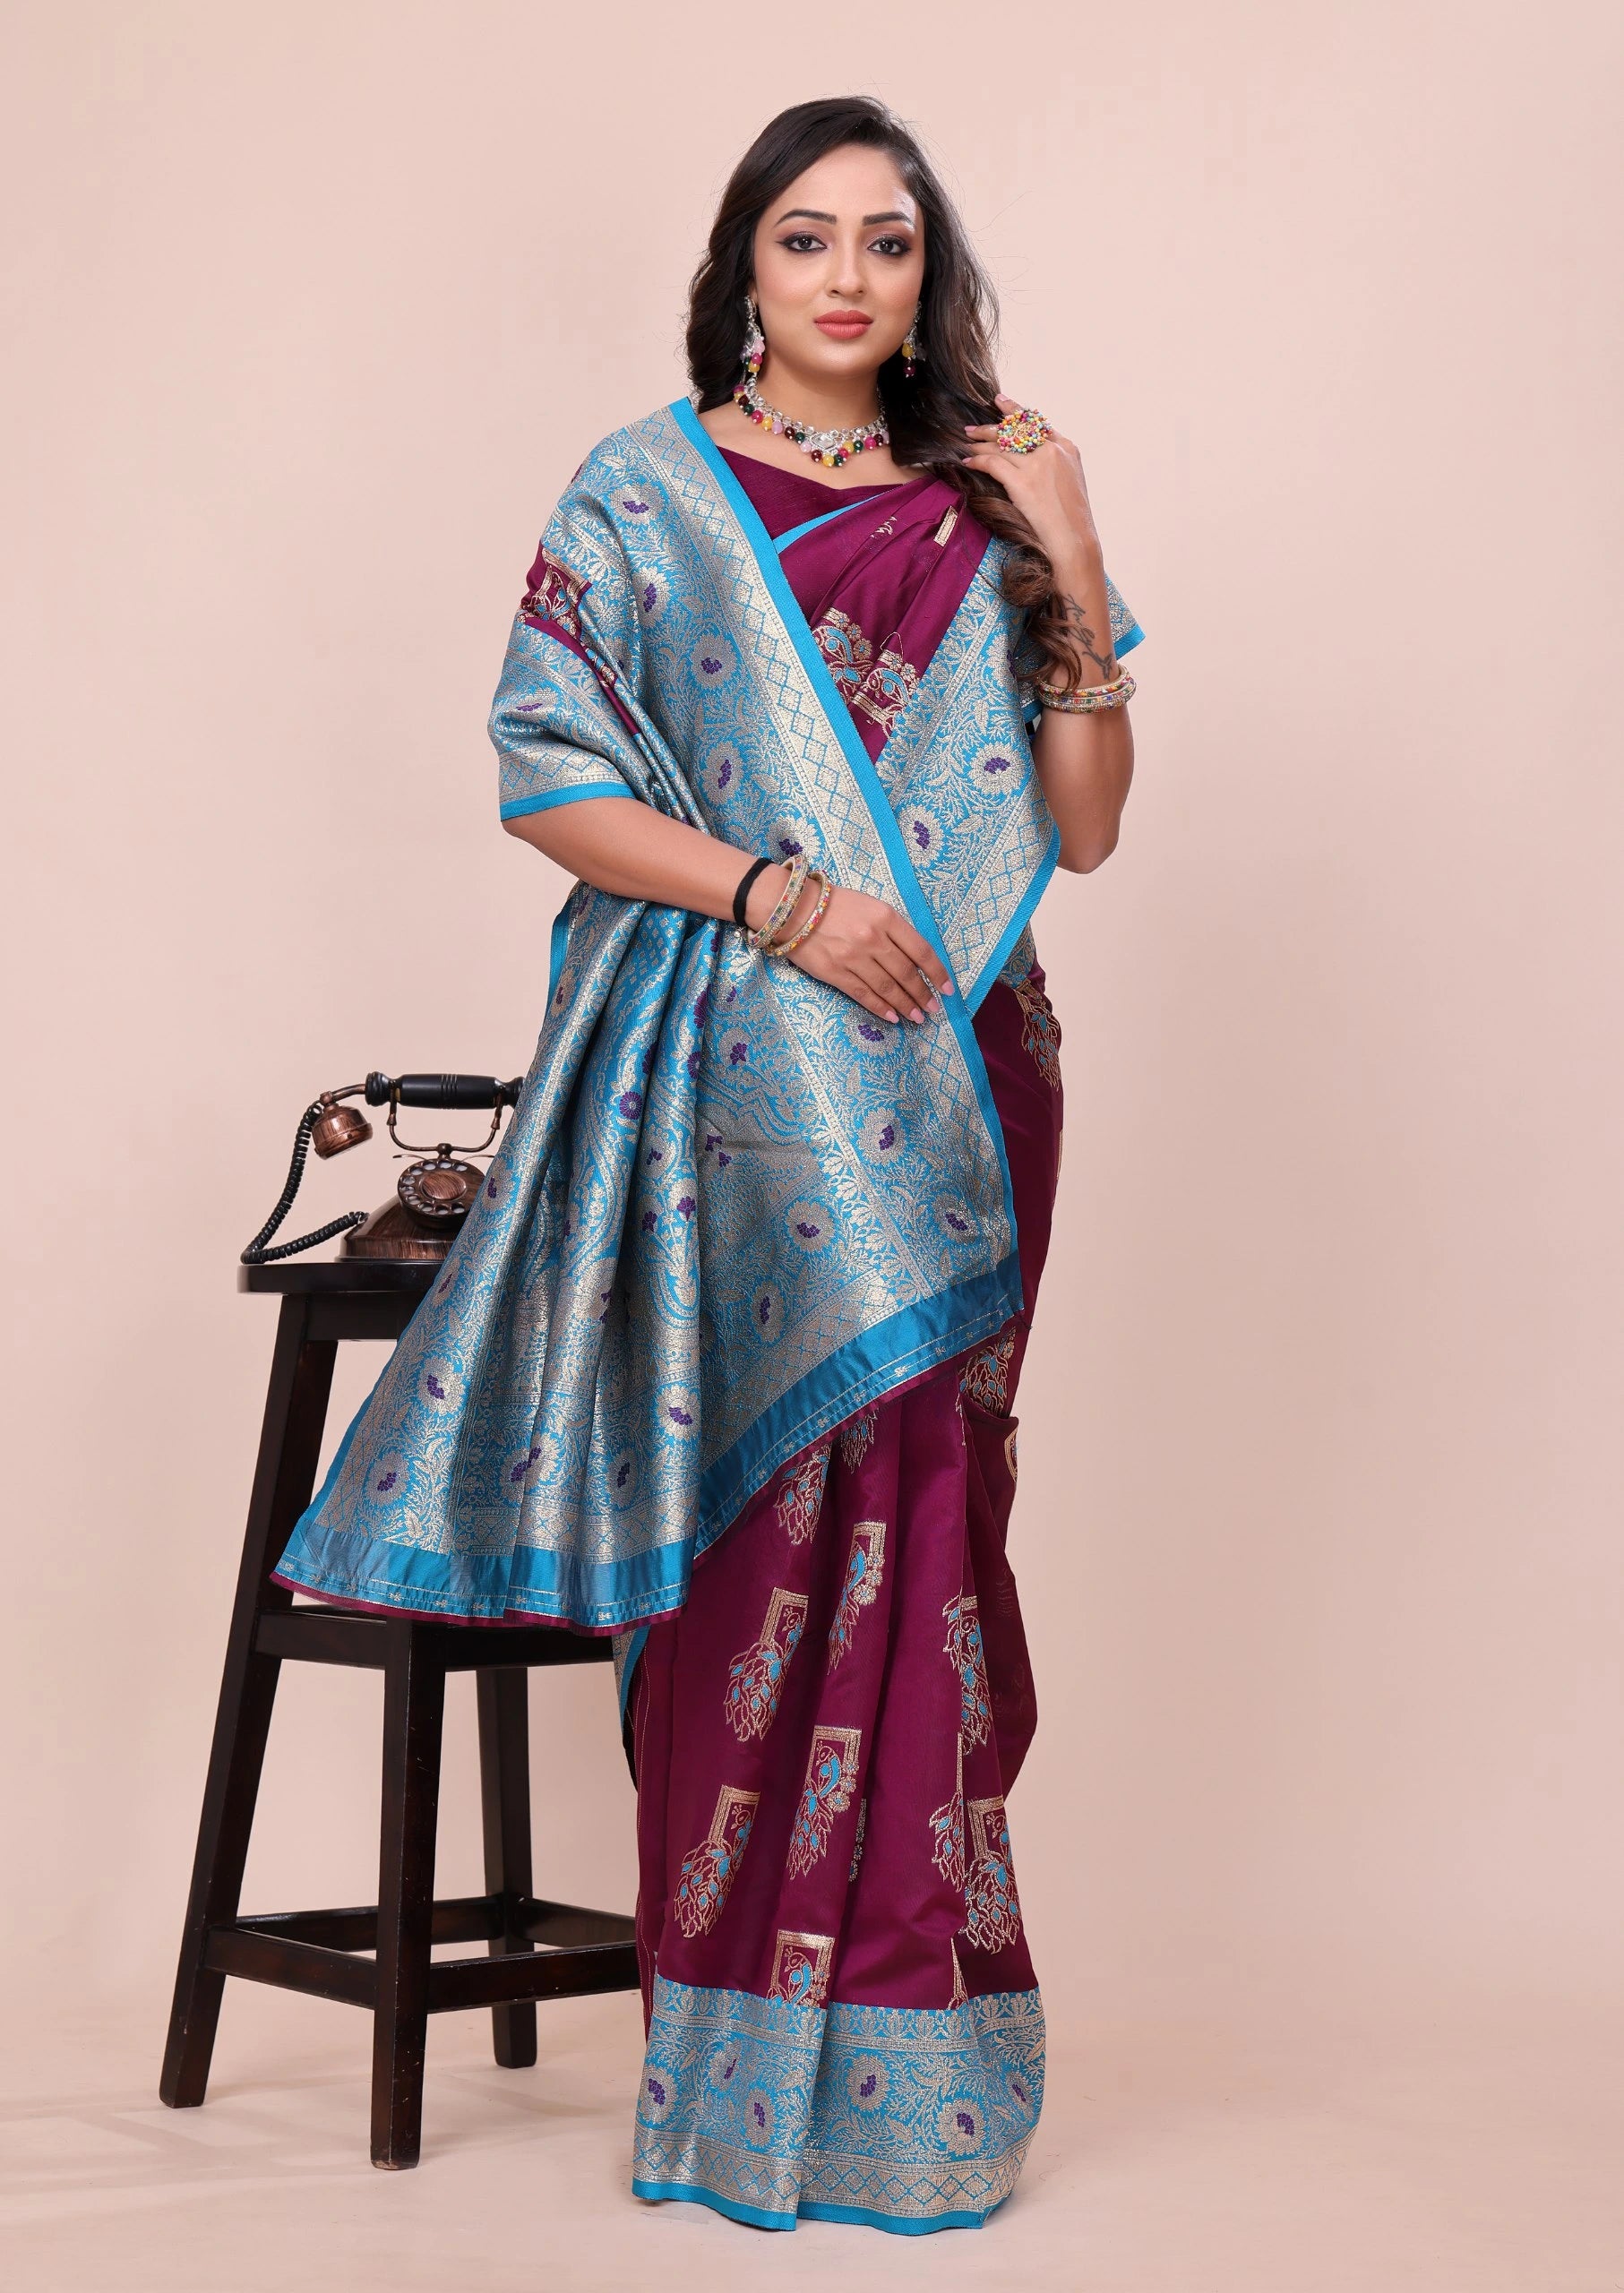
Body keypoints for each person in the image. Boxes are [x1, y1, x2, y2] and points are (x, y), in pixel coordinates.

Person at [272, 93, 1143, 2236]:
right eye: (804, 241)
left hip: (950, 1100)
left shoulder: (983, 506)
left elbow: (1090, 825)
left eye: (888, 245)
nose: (849, 280)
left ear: (927, 281)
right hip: (726, 1116)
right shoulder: (644, 497)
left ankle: (910, 2069)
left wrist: (1079, 553)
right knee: (759, 1553)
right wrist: (775, 900)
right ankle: (729, 2054)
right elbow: (544, 777)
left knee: (931, 1554)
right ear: (741, 270)